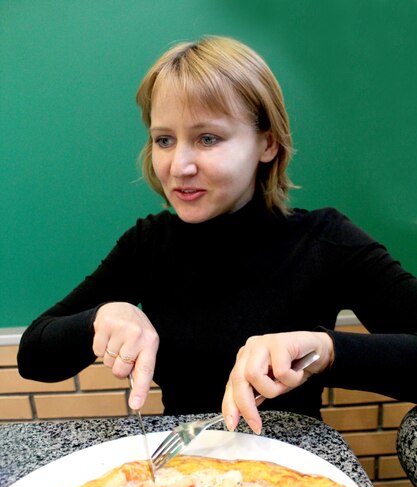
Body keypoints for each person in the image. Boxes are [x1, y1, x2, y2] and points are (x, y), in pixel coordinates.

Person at [17, 35, 417, 435]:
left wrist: (327, 350)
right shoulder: (147, 244)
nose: (179, 166)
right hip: (183, 472)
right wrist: (98, 319)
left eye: (207, 138)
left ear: (268, 143)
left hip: (293, 475)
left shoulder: (326, 239)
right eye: (164, 140)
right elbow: (33, 357)